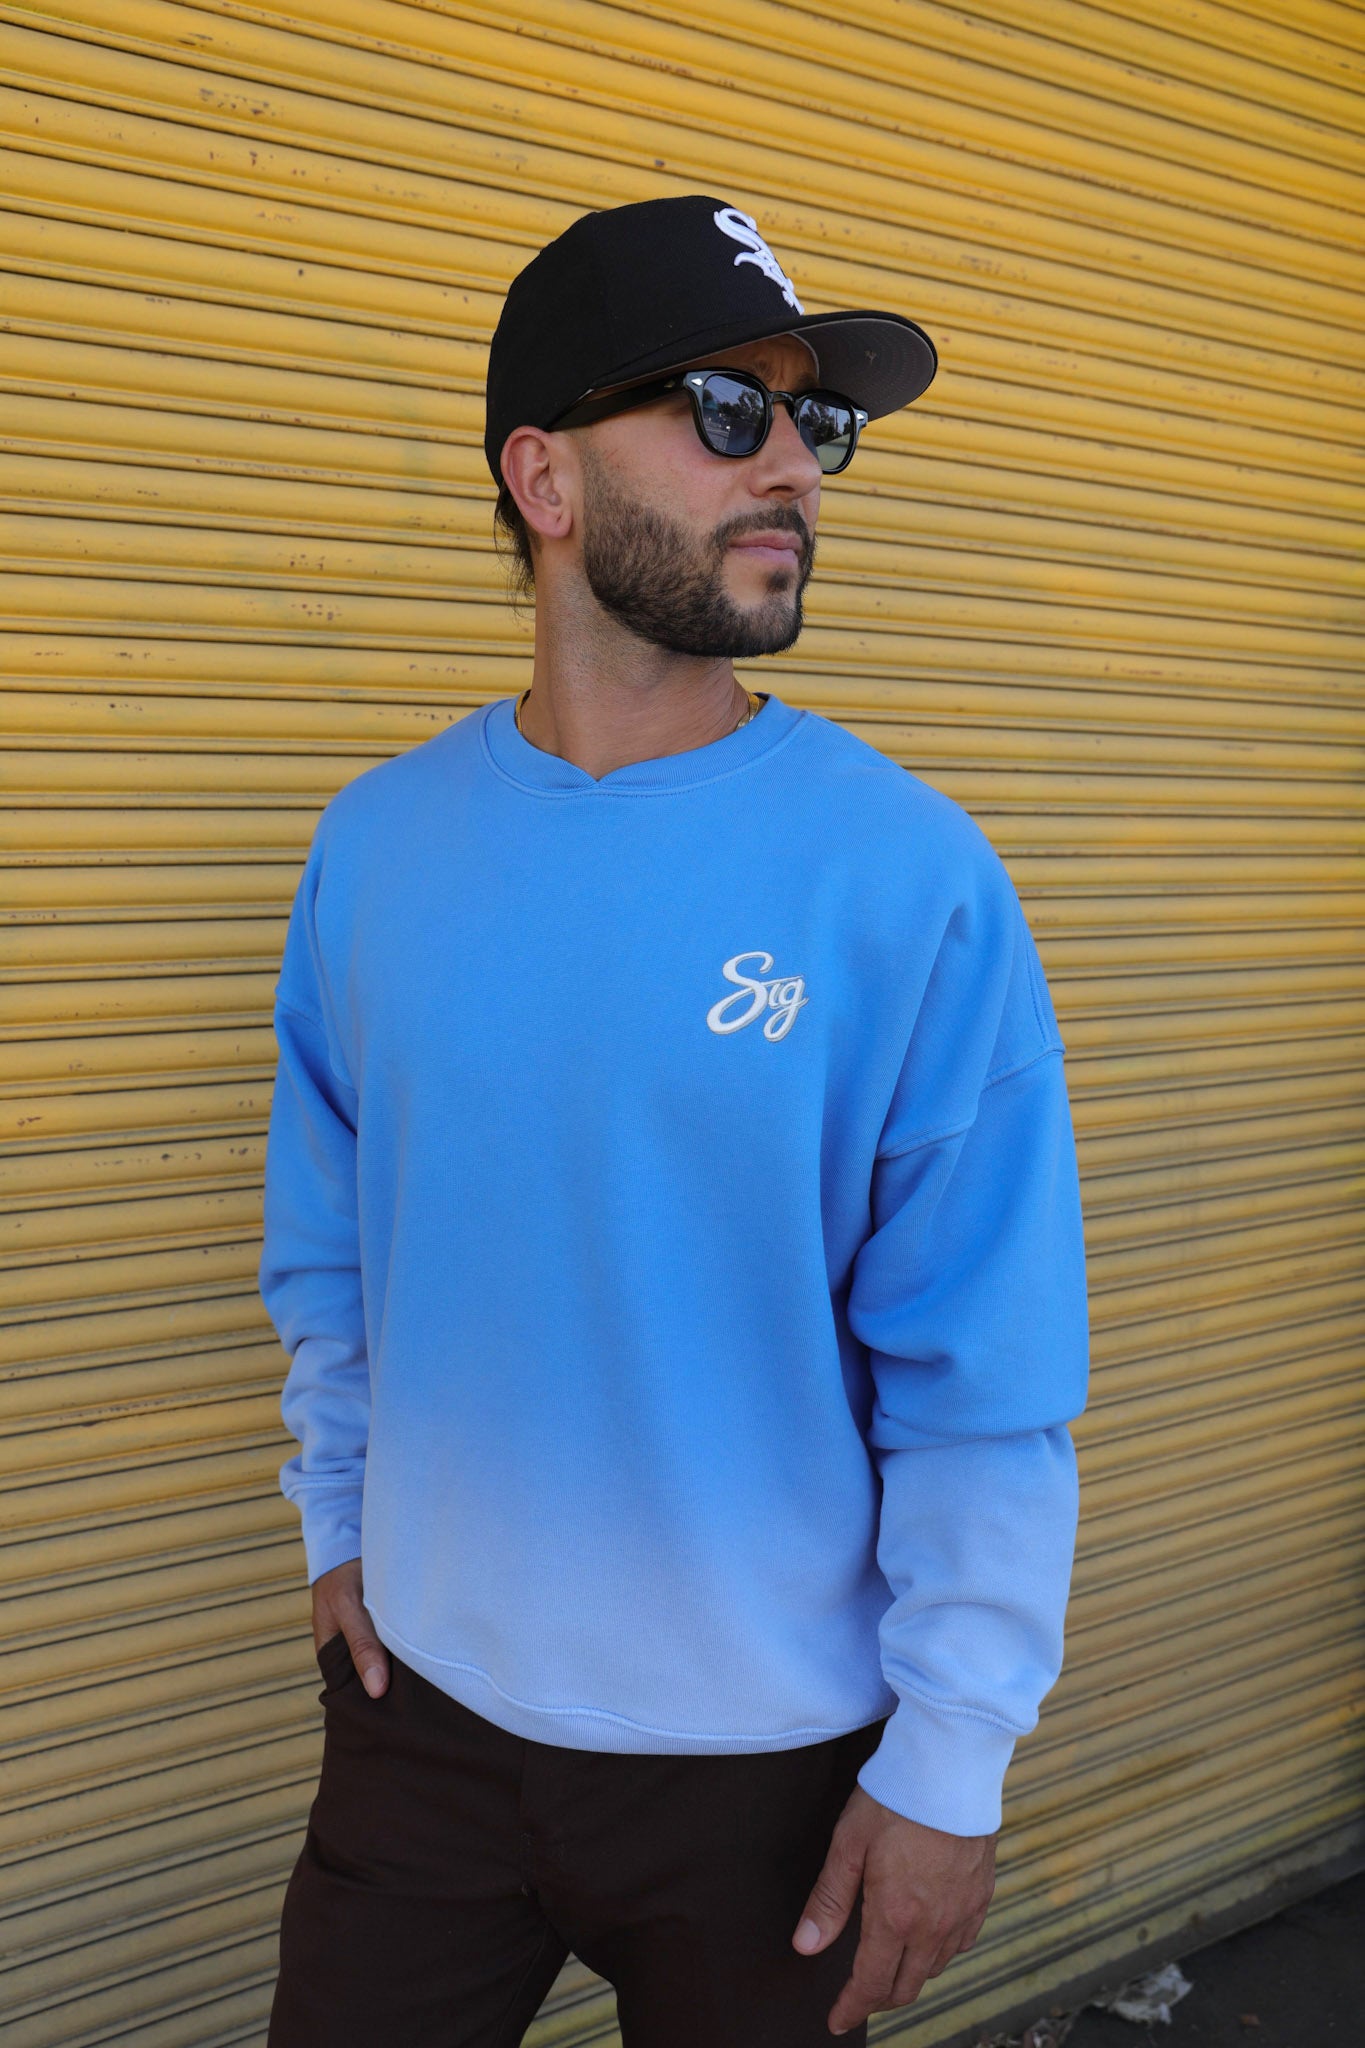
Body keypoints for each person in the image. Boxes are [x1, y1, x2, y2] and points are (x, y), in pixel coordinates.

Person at [258, 191, 1090, 2048]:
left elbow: (984, 1372)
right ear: (541, 478)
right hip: (422, 1723)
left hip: (770, 1773)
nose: (791, 464)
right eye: (726, 410)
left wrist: (950, 1758)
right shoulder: (376, 850)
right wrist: (338, 1525)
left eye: (814, 420)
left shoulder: (902, 878)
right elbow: (329, 1253)